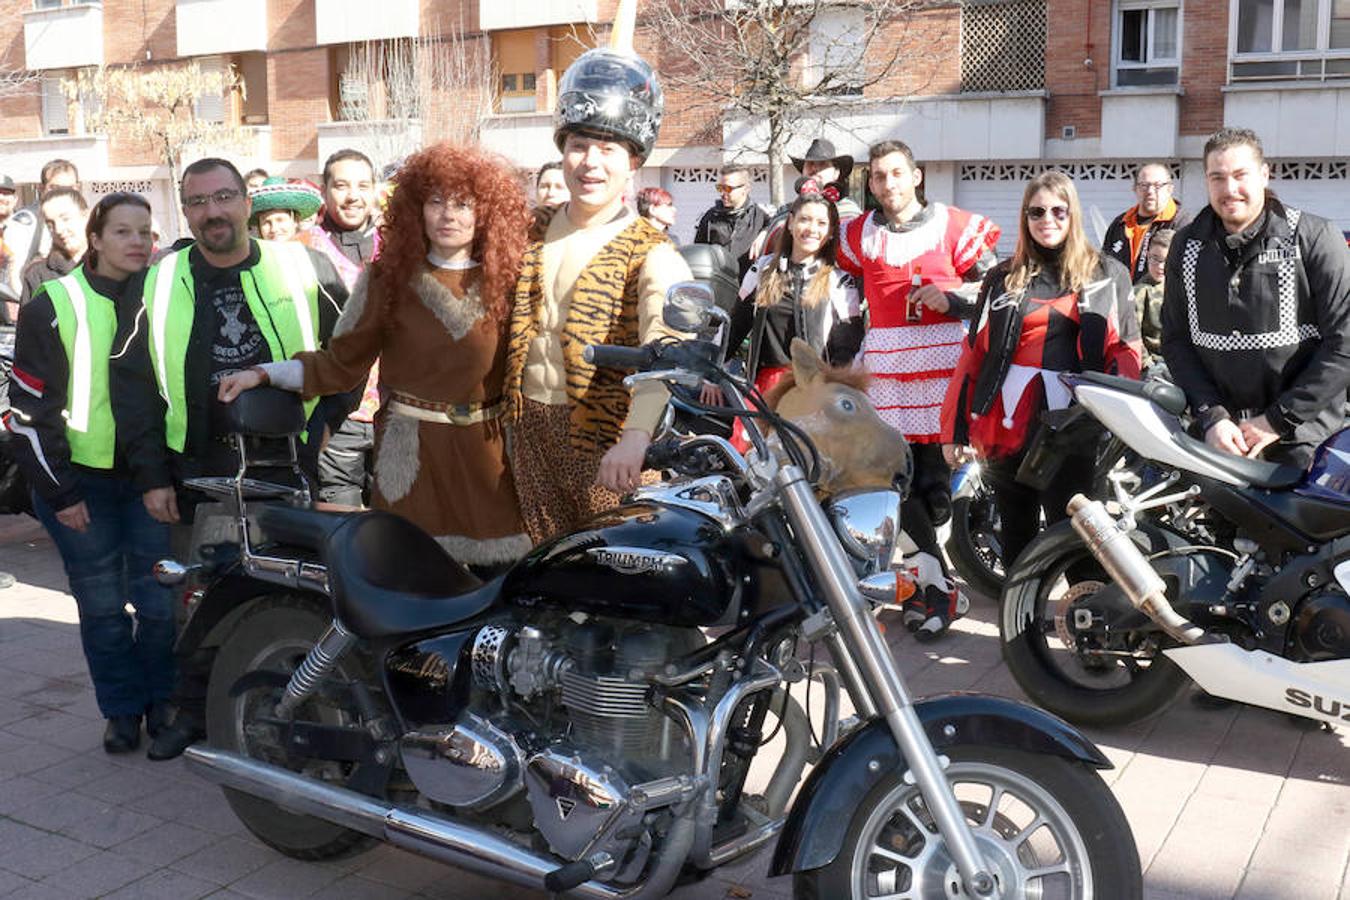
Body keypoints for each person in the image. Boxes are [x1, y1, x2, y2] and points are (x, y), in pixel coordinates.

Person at [111, 157, 350, 759]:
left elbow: (348, 357)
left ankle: (290, 708)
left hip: (288, 469)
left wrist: (323, 428)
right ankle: (194, 715)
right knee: (194, 606)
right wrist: (152, 478)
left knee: (291, 597)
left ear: (247, 201)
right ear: (185, 212)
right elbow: (134, 389)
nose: (212, 212)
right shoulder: (159, 282)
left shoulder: (303, 266)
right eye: (197, 202)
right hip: (198, 474)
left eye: (223, 197)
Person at [219, 144, 533, 567]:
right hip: (412, 460)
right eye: (435, 202)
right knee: (413, 582)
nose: (449, 215)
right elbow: (339, 364)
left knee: (498, 589)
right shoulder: (386, 281)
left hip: (489, 461)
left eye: (463, 203)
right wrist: (264, 373)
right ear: (415, 209)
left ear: (485, 211)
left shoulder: (514, 282)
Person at [6, 192, 175, 754]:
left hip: (150, 480)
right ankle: (122, 710)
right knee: (101, 605)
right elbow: (27, 413)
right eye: (122, 231)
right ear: (95, 240)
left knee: (158, 602)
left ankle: (164, 703)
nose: (136, 242)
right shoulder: (52, 303)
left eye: (145, 232)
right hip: (80, 485)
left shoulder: (164, 296)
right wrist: (61, 492)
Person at [505, 34, 692, 544]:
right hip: (526, 436)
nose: (590, 163)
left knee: (619, 578)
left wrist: (635, 441)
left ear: (633, 161)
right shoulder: (526, 231)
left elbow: (667, 352)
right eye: (578, 145)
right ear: (562, 151)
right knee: (544, 579)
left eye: (607, 149)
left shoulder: (652, 252)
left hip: (607, 446)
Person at [837, 139, 1001, 639]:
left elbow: (998, 291)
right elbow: (840, 292)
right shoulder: (857, 233)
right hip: (886, 366)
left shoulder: (954, 226)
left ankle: (933, 584)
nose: (887, 184)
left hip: (944, 365)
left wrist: (954, 299)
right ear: (869, 183)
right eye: (878, 176)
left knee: (934, 484)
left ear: (916, 176)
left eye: (895, 174)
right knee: (894, 479)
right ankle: (933, 584)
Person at [942, 170, 1141, 572]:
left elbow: (1127, 352)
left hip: (1076, 423)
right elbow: (972, 355)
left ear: (1073, 215)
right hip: (1008, 421)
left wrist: (1119, 419)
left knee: (1080, 536)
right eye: (1036, 212)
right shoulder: (1002, 277)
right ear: (1024, 217)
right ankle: (1019, 630)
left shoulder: (1107, 273)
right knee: (1017, 537)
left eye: (1057, 211)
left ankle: (1086, 625)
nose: (1046, 220)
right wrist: (955, 430)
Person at [1161, 127, 1350, 468]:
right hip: (1220, 439)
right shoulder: (1185, 245)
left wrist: (1277, 420)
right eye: (1217, 177)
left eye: (1239, 175)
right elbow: (1176, 340)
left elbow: (1344, 343)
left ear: (1264, 174)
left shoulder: (1315, 237)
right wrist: (1212, 416)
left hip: (1304, 441)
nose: (1229, 189)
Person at [301, 150, 383, 508]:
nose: (353, 196)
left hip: (396, 416)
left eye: (363, 185)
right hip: (335, 418)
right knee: (343, 533)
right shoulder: (300, 250)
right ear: (324, 190)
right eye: (342, 185)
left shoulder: (402, 246)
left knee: (401, 527)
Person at [1102, 162, 1188, 285]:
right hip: (1120, 300)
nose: (1150, 191)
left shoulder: (1181, 224)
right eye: (1144, 185)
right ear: (1135, 189)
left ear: (1170, 189)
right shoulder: (1120, 223)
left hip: (1157, 301)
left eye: (1158, 186)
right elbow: (1105, 266)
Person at [693, 163, 770, 279]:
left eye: (728, 188)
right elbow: (698, 254)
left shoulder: (761, 217)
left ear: (746, 189)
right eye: (720, 188)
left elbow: (782, 223)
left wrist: (765, 232)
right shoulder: (710, 217)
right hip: (719, 287)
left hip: (750, 290)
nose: (723, 193)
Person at [20, 187, 88, 306]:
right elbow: (28, 323)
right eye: (50, 224)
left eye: (65, 219)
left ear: (86, 215)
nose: (59, 229)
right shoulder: (37, 275)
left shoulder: (111, 266)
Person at [1132, 229, 1172, 372]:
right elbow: (1132, 334)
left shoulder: (1183, 286)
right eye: (1154, 258)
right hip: (1155, 365)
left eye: (1166, 260)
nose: (1160, 266)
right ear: (1147, 255)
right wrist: (1147, 363)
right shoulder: (1140, 291)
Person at [248, 177, 323, 243]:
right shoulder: (253, 257)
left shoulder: (312, 252)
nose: (273, 229)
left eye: (280, 220)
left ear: (295, 220)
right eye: (266, 222)